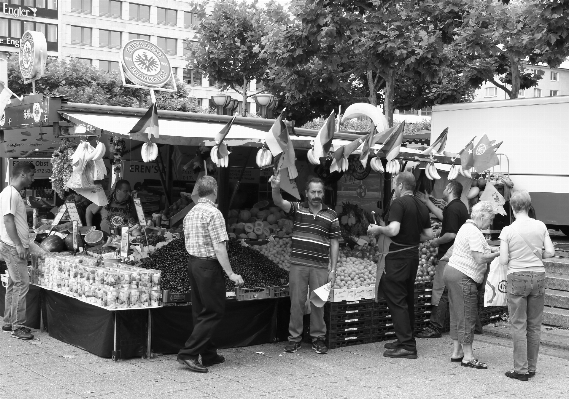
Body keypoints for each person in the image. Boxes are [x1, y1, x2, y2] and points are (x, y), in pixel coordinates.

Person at [177, 176, 244, 373]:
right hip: (208, 266)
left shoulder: (191, 213)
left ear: (199, 192)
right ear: (214, 190)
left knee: (200, 311)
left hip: (194, 263)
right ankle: (188, 354)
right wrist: (230, 273)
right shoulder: (214, 214)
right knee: (213, 310)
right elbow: (219, 246)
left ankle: (208, 353)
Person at [270, 175, 341, 354]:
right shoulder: (298, 209)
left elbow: (334, 242)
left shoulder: (331, 215)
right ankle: (294, 339)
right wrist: (275, 188)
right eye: (313, 192)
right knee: (297, 303)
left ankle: (318, 339)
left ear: (323, 193)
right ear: (306, 194)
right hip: (298, 265)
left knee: (318, 303)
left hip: (320, 266)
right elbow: (279, 202)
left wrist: (333, 269)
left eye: (319, 191)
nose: (316, 195)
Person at [368, 172, 433, 359]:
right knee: (406, 299)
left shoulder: (399, 203)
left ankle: (407, 346)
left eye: (395, 185)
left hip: (396, 258)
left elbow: (393, 229)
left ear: (401, 186)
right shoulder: (421, 205)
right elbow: (429, 235)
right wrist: (411, 239)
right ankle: (405, 338)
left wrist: (378, 229)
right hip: (412, 257)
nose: (394, 189)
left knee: (397, 301)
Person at [499, 191, 555, 381]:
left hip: (517, 276)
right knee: (534, 325)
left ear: (512, 208)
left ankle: (520, 370)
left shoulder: (507, 230)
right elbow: (551, 252)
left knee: (518, 324)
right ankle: (532, 367)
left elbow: (504, 259)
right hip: (538, 276)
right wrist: (536, 254)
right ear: (529, 206)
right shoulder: (541, 226)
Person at [444, 201, 500, 369]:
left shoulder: (466, 227)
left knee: (456, 314)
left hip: (452, 272)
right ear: (482, 216)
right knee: (467, 315)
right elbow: (479, 258)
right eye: (489, 219)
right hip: (464, 276)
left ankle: (457, 352)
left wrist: (490, 248)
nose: (490, 223)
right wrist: (498, 253)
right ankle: (468, 357)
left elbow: (479, 248)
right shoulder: (474, 232)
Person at [416, 180, 469, 339]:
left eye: (446, 187)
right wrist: (427, 202)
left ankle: (435, 326)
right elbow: (443, 217)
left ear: (451, 189)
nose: (444, 190)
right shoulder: (460, 207)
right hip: (459, 256)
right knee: (452, 292)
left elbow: (450, 234)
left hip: (448, 256)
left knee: (440, 291)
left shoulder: (453, 208)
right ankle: (449, 324)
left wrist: (435, 241)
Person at [1, 162, 35, 340]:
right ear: (23, 174)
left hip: (11, 245)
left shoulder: (12, 193)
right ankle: (18, 326)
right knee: (22, 284)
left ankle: (8, 321)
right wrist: (19, 245)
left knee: (14, 284)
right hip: (12, 247)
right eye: (31, 175)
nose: (32, 179)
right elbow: (8, 221)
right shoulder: (10, 194)